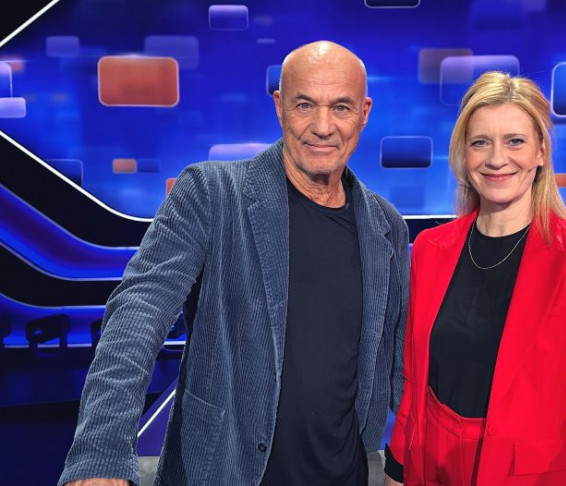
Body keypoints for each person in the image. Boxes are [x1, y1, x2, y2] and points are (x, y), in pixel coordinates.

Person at [59, 41, 409, 486]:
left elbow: (403, 365)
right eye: (305, 105)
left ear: (364, 112)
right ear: (279, 106)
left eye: (340, 107)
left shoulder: (385, 225)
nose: (323, 127)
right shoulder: (211, 193)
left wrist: (414, 464)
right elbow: (137, 316)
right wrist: (102, 452)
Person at [384, 71, 566, 485]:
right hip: (434, 470)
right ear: (463, 155)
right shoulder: (430, 250)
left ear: (541, 151)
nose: (496, 159)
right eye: (480, 142)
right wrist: (398, 468)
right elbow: (415, 381)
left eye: (515, 141)